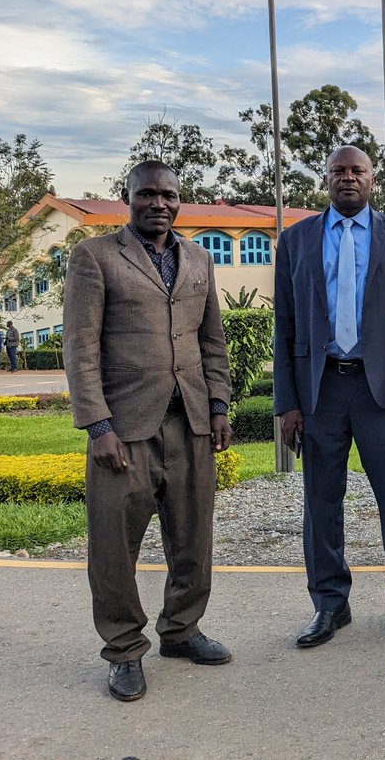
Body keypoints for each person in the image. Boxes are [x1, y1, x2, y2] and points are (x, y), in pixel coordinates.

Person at [63, 160, 234, 702]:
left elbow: (212, 341)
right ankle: (123, 650)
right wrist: (98, 423)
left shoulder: (199, 259)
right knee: (114, 546)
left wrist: (221, 406)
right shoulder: (94, 257)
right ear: (127, 197)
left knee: (192, 538)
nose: (159, 203)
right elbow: (80, 347)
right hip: (125, 428)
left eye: (169, 195)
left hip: (190, 421)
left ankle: (181, 631)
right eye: (148, 194)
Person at [274, 145, 385, 648]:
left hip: (378, 387)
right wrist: (287, 403)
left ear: (372, 179)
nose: (347, 178)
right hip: (320, 390)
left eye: (356, 171)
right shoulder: (295, 241)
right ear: (326, 178)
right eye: (338, 170)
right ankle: (329, 604)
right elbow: (286, 326)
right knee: (321, 502)